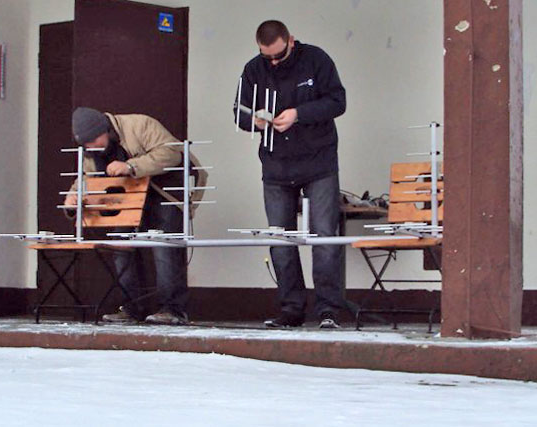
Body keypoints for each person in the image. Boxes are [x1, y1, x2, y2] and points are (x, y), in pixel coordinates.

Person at [234, 20, 347, 329]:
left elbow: (338, 102)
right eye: (266, 56)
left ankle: (328, 310)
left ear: (291, 41)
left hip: (318, 163)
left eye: (278, 55)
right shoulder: (253, 69)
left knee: (324, 237)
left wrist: (299, 114)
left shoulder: (316, 59)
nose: (272, 61)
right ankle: (291, 309)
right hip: (276, 166)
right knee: (280, 240)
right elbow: (239, 112)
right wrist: (256, 121)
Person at [64, 107, 207, 325]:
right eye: (85, 144)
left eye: (93, 140)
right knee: (121, 245)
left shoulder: (140, 125)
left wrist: (131, 166)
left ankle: (173, 309)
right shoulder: (91, 151)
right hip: (129, 198)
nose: (90, 147)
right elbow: (85, 177)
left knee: (164, 246)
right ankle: (131, 308)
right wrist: (72, 198)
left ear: (105, 129)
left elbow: (171, 153)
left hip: (165, 191)